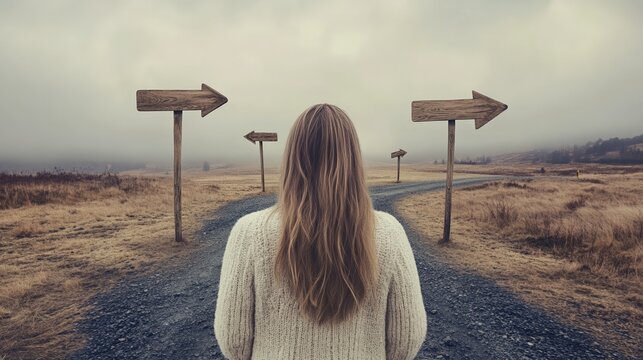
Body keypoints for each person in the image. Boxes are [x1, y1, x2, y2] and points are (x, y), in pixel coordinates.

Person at [214, 104, 427, 359]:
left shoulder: (249, 233)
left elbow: (234, 341)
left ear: (292, 160)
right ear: (354, 162)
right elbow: (406, 339)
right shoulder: (389, 233)